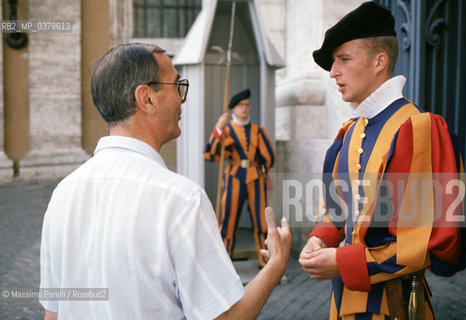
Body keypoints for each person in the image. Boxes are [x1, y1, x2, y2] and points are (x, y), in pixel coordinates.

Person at [40, 43, 291, 320]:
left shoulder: (63, 193)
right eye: (176, 86)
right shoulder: (182, 200)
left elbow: (53, 313)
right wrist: (275, 266)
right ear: (146, 98)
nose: (182, 98)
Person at [298, 2, 466, 320]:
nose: (333, 72)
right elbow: (340, 213)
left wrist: (340, 262)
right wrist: (319, 239)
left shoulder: (419, 129)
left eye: (344, 59)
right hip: (343, 303)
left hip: (396, 306)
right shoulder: (350, 132)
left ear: (380, 61)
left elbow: (422, 244)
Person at [204, 88, 276, 268]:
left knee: (261, 221)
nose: (245, 108)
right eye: (240, 106)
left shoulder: (258, 131)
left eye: (247, 105)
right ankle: (224, 262)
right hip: (234, 177)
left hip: (256, 178)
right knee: (228, 220)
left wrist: (265, 171)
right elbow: (210, 154)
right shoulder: (226, 130)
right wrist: (219, 128)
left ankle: (265, 260)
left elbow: (269, 158)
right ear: (233, 109)